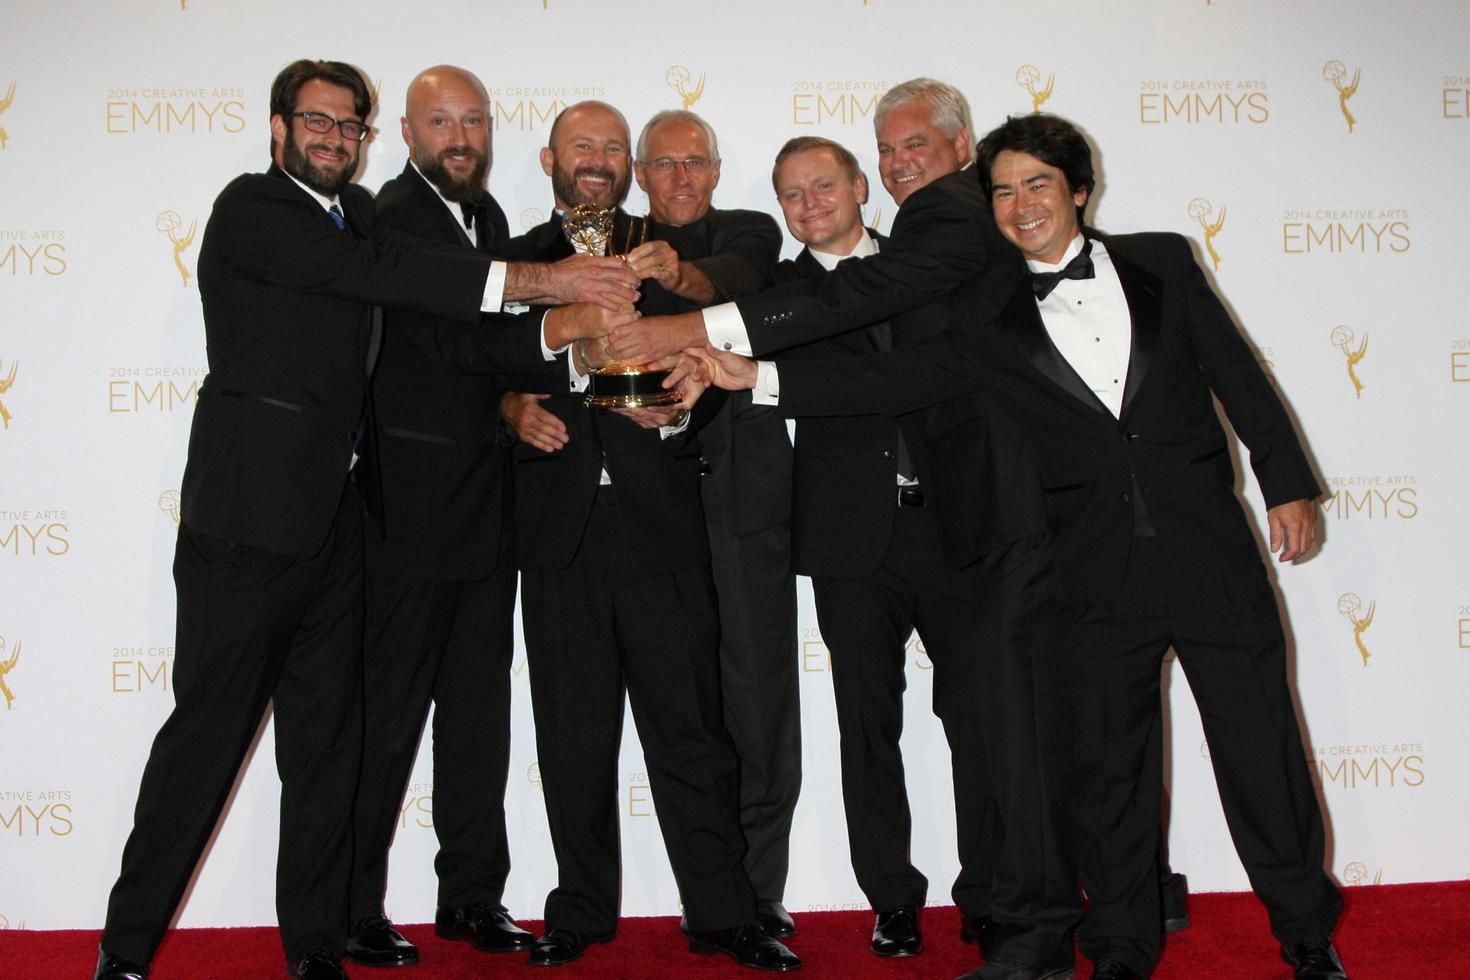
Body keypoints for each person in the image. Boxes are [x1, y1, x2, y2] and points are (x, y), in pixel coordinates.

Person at [695, 112, 1348, 980]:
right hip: (1091, 567)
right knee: (1108, 772)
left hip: (1206, 551)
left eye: (1037, 184)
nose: (1019, 204)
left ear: (1079, 190)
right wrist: (764, 378)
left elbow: (1237, 372)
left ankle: (1305, 930)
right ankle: (1120, 947)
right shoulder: (989, 311)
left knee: (1258, 747)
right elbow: (894, 377)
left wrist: (1289, 481)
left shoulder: (1163, 260)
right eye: (1002, 190)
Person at [93, 60, 635, 980]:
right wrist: (547, 284)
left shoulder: (359, 220)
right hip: (248, 525)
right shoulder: (256, 211)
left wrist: (546, 362)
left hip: (342, 527)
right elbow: (387, 277)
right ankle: (126, 950)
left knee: (326, 747)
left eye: (349, 126)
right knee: (207, 739)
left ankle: (314, 945)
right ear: (277, 128)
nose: (334, 139)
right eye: (317, 122)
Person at [494, 100, 801, 973]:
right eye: (583, 146)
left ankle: (722, 910)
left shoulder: (665, 253)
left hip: (662, 524)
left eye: (614, 149)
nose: (600, 160)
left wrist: (671, 416)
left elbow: (712, 338)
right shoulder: (511, 262)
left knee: (692, 732)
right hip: (561, 535)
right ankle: (580, 913)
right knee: (572, 737)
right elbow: (473, 364)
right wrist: (510, 406)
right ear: (549, 157)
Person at [767, 135, 1046, 964]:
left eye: (824, 183)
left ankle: (991, 892)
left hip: (957, 529)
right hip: (849, 542)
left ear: (862, 186)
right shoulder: (777, 297)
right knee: (866, 729)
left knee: (981, 722)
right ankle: (891, 898)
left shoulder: (942, 264)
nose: (809, 201)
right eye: (791, 194)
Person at [343, 65, 537, 969]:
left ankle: (471, 897)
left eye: (472, 121)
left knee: (477, 718)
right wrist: (558, 321)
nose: (460, 137)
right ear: (407, 136)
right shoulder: (389, 219)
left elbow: (483, 368)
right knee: (385, 723)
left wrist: (513, 401)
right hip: (406, 516)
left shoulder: (489, 219)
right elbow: (450, 337)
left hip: (486, 513)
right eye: (440, 122)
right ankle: (350, 905)